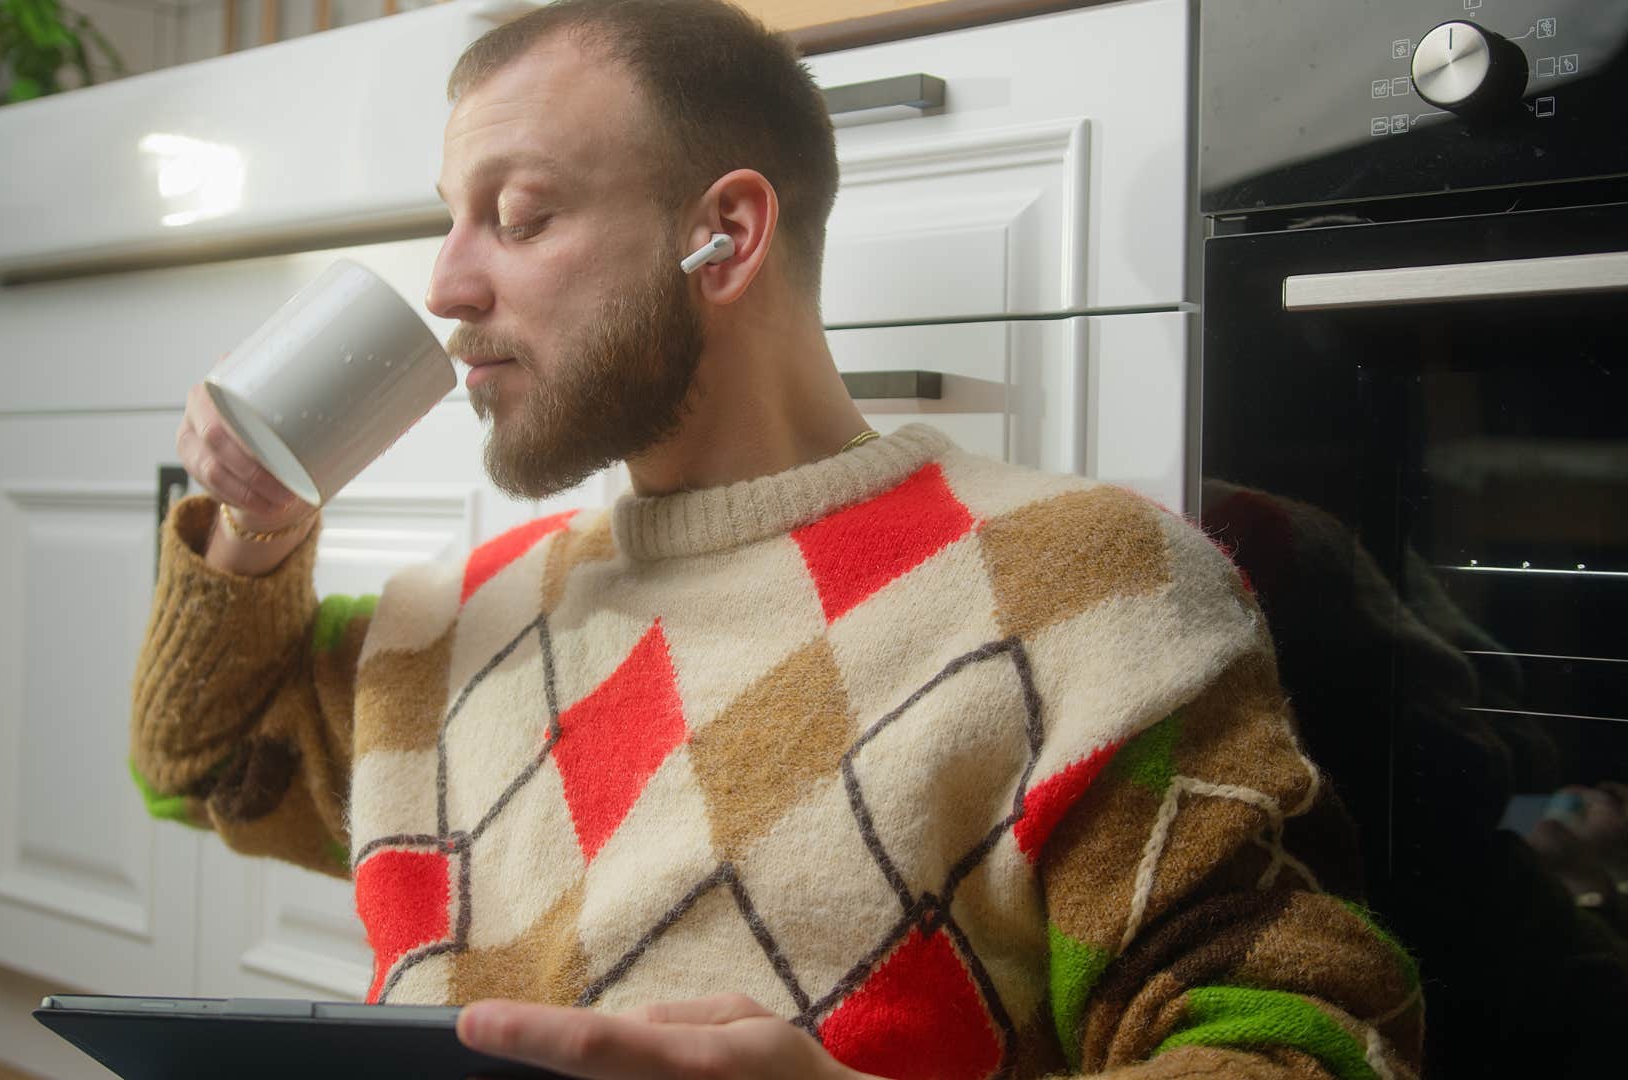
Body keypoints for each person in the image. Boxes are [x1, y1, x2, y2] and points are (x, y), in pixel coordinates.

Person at [132, 2, 1423, 1076]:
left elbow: (1304, 1032)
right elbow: (197, 764)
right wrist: (259, 523)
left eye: (519, 217)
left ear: (726, 236)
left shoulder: (1083, 587)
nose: (449, 287)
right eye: (450, 217)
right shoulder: (449, 622)